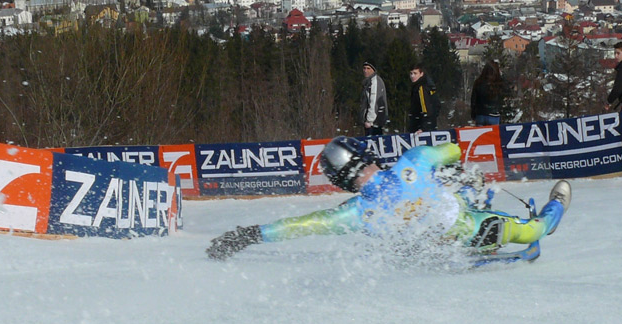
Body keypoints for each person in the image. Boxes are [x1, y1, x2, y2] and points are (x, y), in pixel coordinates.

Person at [206, 136, 571, 262]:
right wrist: (457, 164)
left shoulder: (354, 212)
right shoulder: (413, 160)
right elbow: (455, 150)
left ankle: (476, 200)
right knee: (534, 231)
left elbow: (301, 226)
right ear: (364, 156)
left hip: (435, 239)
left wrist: (247, 235)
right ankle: (557, 205)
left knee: (461, 197)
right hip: (468, 230)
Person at [407, 63, 440, 133]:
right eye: (411, 73)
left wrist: (423, 128)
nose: (412, 76)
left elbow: (426, 109)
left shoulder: (422, 88)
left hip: (422, 127)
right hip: (426, 125)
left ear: (421, 74)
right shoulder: (423, 85)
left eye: (415, 73)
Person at [470, 60, 504, 125]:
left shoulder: (478, 82)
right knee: (493, 135)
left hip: (480, 115)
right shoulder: (498, 83)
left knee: (481, 134)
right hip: (494, 115)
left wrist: (474, 113)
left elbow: (473, 100)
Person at [360, 61, 388, 136]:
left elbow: (374, 101)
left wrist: (369, 120)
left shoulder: (374, 82)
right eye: (364, 68)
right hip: (373, 121)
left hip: (375, 122)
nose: (365, 71)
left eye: (368, 68)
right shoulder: (368, 82)